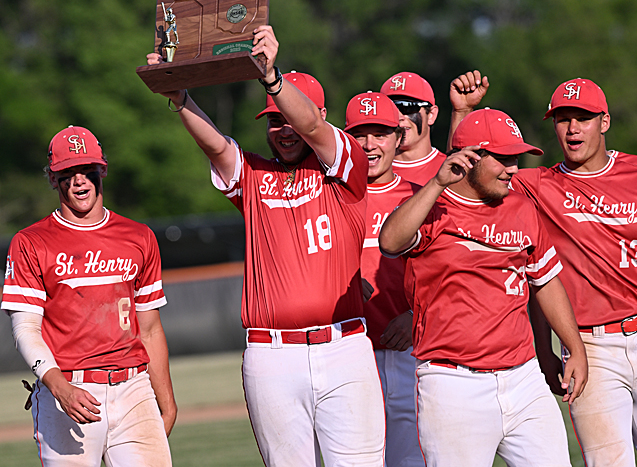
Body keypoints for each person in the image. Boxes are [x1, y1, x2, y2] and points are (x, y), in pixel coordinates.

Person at [146, 26, 385, 467]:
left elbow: (311, 124)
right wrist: (179, 97)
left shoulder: (345, 165)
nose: (285, 129)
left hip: (343, 348)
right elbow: (216, 146)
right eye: (275, 121)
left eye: (289, 118)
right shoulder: (255, 177)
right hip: (271, 356)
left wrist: (272, 78)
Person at [450, 74, 637, 466]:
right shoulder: (536, 184)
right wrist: (462, 113)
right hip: (589, 346)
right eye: (562, 119)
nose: (573, 128)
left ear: (604, 122)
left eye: (584, 117)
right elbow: (465, 181)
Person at [379, 108, 588, 467]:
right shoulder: (433, 208)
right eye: (503, 158)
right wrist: (436, 183)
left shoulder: (521, 207)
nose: (513, 169)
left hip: (523, 378)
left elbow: (546, 282)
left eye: (516, 158)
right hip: (453, 385)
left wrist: (575, 347)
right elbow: (390, 242)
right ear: (470, 158)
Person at [1, 126, 176, 466]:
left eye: (87, 171)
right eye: (68, 173)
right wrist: (57, 385)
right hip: (67, 389)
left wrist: (166, 401)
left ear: (103, 170)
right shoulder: (30, 242)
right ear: (53, 179)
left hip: (134, 387)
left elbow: (151, 329)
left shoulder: (138, 236)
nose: (79, 181)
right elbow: (25, 330)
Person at [344, 91, 424, 466]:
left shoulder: (421, 198)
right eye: (360, 134)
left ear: (398, 137)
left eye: (380, 133)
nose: (370, 145)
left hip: (412, 351)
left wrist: (416, 316)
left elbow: (446, 274)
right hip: (351, 356)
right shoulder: (330, 196)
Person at [379, 72, 448, 185]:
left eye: (408, 108)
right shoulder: (369, 172)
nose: (399, 117)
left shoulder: (450, 170)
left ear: (431, 115)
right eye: (391, 109)